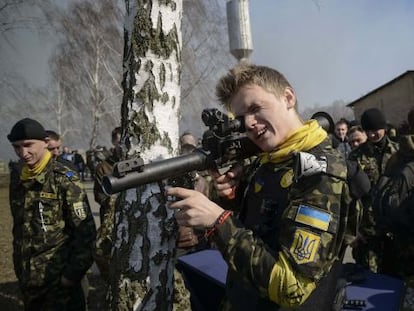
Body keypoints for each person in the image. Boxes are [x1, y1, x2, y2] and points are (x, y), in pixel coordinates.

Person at [166, 64, 354, 310]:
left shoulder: (319, 173)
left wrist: (219, 222)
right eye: (242, 118)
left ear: (288, 97)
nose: (250, 124)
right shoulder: (272, 158)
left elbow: (291, 287)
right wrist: (233, 198)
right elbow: (262, 228)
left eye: (256, 108)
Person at [7, 118, 96, 311]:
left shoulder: (64, 178)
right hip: (29, 281)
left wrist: (69, 277)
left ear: (45, 142)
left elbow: (86, 235)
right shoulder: (18, 178)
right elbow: (20, 227)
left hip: (59, 284)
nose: (23, 153)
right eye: (17, 147)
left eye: (28, 145)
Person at [348, 107, 399, 273]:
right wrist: (352, 231)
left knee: (399, 276)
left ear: (383, 127)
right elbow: (349, 196)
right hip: (369, 229)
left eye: (376, 130)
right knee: (370, 277)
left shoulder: (399, 152)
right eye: (368, 131)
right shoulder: (356, 157)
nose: (371, 135)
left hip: (397, 225)